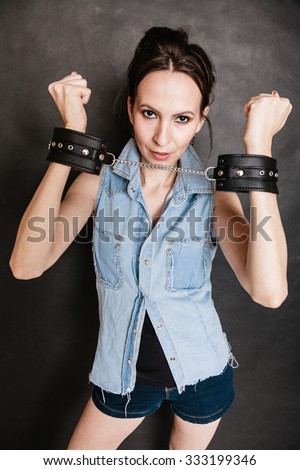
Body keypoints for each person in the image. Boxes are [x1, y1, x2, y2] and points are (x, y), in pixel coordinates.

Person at [9, 27, 292, 450]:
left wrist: (260, 151)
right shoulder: (99, 182)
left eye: (182, 119)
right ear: (129, 108)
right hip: (122, 379)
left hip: (202, 375)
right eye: (149, 113)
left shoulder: (214, 193)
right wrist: (70, 136)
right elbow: (25, 265)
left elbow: (269, 293)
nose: (163, 138)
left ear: (200, 119)